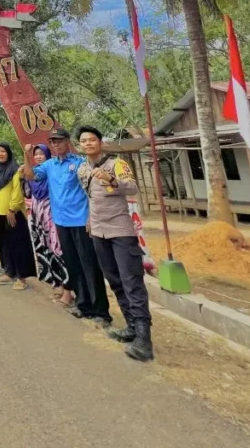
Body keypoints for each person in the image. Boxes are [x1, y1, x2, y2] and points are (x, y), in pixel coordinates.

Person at [77, 126, 154, 361]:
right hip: (98, 232)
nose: (88, 144)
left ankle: (144, 339)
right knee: (115, 280)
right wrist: (90, 218)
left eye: (92, 140)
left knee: (132, 282)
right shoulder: (82, 169)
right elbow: (90, 196)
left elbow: (132, 188)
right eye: (83, 141)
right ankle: (131, 326)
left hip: (120, 231)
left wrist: (110, 178)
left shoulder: (117, 164)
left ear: (100, 142)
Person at [25, 127, 111, 324]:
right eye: (53, 141)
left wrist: (91, 215)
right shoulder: (49, 165)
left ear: (67, 142)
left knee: (90, 266)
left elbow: (92, 189)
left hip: (81, 221)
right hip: (61, 222)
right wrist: (26, 154)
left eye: (59, 140)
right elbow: (30, 176)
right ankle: (83, 305)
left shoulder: (79, 163)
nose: (56, 144)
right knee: (73, 265)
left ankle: (101, 312)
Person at [0, 143, 35, 291]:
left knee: (17, 245)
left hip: (13, 214)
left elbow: (17, 192)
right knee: (4, 245)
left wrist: (12, 209)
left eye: (3, 151)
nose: (0, 154)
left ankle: (21, 277)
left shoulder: (14, 170)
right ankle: (9, 272)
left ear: (9, 153)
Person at [23, 144, 72, 304]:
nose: (38, 157)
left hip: (52, 215)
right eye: (35, 154)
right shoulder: (35, 173)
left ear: (47, 155)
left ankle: (67, 288)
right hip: (37, 216)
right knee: (45, 249)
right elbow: (28, 192)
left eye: (41, 154)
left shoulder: (52, 172)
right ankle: (56, 283)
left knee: (58, 249)